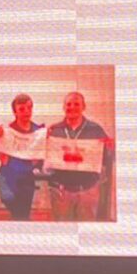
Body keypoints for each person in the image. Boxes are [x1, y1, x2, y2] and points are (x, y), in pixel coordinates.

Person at [44, 91, 110, 222]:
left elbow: (106, 159)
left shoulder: (96, 130)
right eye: (68, 104)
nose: (72, 107)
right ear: (63, 107)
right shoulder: (54, 130)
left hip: (87, 190)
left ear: (83, 107)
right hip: (60, 191)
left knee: (87, 229)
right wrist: (43, 142)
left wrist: (109, 148)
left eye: (76, 104)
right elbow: (44, 158)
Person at [0, 93, 45, 221]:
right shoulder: (7, 130)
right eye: (22, 109)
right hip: (8, 175)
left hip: (26, 177)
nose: (26, 112)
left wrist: (37, 161)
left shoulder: (38, 131)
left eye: (29, 108)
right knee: (7, 198)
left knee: (22, 214)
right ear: (15, 112)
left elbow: (42, 156)